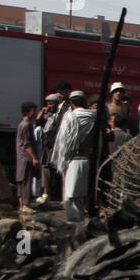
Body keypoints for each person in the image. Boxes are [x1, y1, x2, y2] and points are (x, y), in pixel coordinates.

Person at [52, 91, 97, 222]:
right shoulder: (93, 117)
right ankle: (80, 218)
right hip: (88, 160)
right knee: (82, 193)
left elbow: (62, 140)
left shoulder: (70, 118)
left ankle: (73, 221)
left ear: (71, 103)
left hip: (72, 160)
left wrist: (61, 159)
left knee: (71, 193)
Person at [14, 101, 40, 212]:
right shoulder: (26, 125)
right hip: (25, 157)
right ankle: (25, 205)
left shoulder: (25, 124)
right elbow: (27, 143)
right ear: (26, 112)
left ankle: (22, 205)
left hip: (22, 156)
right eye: (33, 111)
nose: (35, 113)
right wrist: (34, 157)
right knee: (25, 180)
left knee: (22, 180)